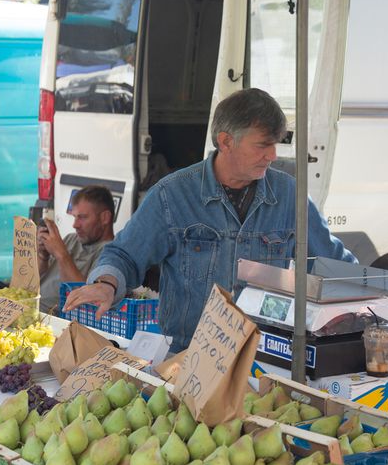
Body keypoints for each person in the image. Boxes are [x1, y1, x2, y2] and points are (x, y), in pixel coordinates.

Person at [63, 88, 355, 350]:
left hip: (264, 356)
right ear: (226, 141)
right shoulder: (172, 195)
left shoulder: (289, 195)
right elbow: (123, 254)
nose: (272, 155)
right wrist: (106, 283)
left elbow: (332, 261)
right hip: (185, 356)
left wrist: (372, 299)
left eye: (275, 144)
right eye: (262, 145)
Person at [0, 185, 116, 312]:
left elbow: (86, 297)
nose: (75, 225)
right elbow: (32, 280)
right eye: (74, 217)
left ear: (104, 218)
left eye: (82, 217)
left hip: (44, 311)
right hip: (25, 297)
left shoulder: (109, 253)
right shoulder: (71, 239)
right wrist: (42, 256)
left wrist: (61, 254)